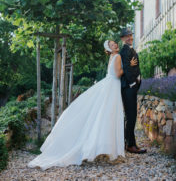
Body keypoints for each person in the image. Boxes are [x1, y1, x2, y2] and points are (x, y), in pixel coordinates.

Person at [28, 40, 136, 170]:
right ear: (109, 49)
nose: (116, 45)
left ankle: (103, 148)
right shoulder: (117, 56)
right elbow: (118, 74)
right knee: (109, 115)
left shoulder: (112, 57)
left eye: (115, 43)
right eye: (113, 45)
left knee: (103, 115)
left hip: (108, 85)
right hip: (112, 87)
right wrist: (129, 66)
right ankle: (107, 148)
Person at [120, 28, 147, 154]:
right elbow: (126, 68)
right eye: (127, 36)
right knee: (131, 117)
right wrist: (133, 84)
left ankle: (129, 143)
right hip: (129, 88)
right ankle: (131, 145)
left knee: (131, 117)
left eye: (131, 35)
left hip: (131, 88)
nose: (130, 37)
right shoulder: (124, 51)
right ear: (122, 39)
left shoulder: (129, 49)